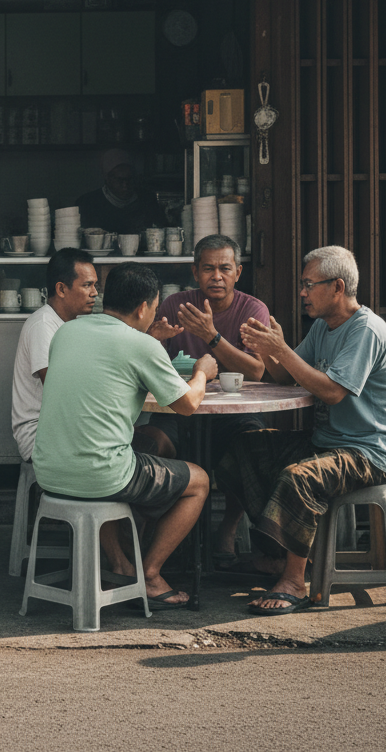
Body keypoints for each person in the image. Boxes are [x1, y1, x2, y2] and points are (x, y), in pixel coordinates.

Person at [218, 245, 386, 616]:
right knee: (245, 447)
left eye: (309, 284)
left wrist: (282, 349)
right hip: (330, 443)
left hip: (371, 451)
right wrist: (270, 349)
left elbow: (333, 392)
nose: (302, 293)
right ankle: (273, 555)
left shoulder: (365, 329)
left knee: (298, 478)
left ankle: (294, 580)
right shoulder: (323, 327)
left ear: (337, 287)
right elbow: (286, 377)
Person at [32, 261, 217, 608]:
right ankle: (149, 574)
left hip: (49, 470)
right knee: (199, 481)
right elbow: (189, 403)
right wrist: (202, 372)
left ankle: (121, 564)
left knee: (145, 447)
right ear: (145, 307)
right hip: (101, 475)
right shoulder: (141, 346)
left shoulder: (67, 331)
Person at [11, 250, 176, 579]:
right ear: (61, 289)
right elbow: (63, 386)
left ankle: (137, 543)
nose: (95, 293)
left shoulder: (72, 326)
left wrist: (143, 340)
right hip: (45, 435)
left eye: (96, 285)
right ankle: (123, 560)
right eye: (87, 285)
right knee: (112, 457)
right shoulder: (46, 326)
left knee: (159, 439)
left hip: (68, 430)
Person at [153, 233, 270, 560]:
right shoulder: (175, 305)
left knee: (253, 444)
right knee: (152, 442)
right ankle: (164, 531)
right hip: (179, 408)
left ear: (238, 272)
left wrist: (211, 336)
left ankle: (229, 527)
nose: (216, 276)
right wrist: (153, 338)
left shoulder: (253, 309)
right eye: (208, 269)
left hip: (233, 412)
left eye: (224, 268)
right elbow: (150, 360)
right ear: (195, 272)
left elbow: (257, 372)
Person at [77, 149, 161, 235]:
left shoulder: (148, 200)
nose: (125, 184)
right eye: (119, 180)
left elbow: (160, 229)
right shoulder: (88, 203)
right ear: (108, 179)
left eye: (129, 179)